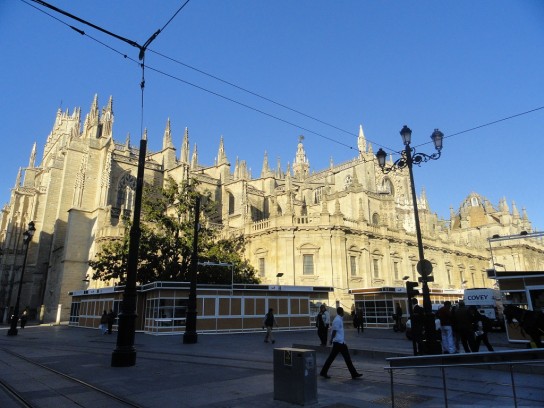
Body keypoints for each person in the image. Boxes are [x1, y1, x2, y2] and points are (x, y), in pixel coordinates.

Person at [319, 307, 363, 380]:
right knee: (334, 358)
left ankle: (354, 374)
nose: (343, 313)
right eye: (343, 311)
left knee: (345, 359)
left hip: (341, 342)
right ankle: (323, 372)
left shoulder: (339, 319)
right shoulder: (337, 320)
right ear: (341, 312)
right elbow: (334, 331)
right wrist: (331, 340)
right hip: (338, 343)